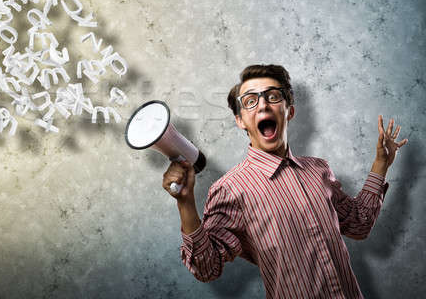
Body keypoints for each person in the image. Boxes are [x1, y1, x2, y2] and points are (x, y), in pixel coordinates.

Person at [162, 64, 408, 299]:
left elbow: (358, 224)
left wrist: (381, 164)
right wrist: (185, 203)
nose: (263, 106)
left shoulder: (318, 170)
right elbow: (207, 269)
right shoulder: (230, 190)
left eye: (273, 97)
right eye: (250, 101)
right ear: (240, 121)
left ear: (289, 111)